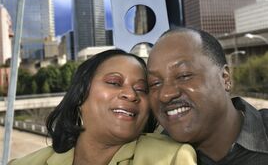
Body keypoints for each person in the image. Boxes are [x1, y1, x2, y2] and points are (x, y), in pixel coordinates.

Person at [9, 49, 196, 165]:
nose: (131, 95)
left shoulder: (172, 159)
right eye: (114, 82)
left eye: (141, 89)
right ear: (81, 95)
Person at [147, 26, 268, 165]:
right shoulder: (148, 158)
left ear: (225, 78)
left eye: (184, 75)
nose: (165, 94)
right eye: (154, 83)